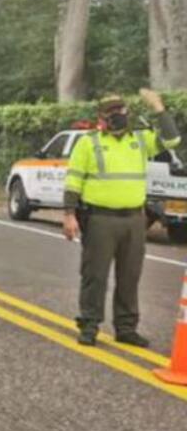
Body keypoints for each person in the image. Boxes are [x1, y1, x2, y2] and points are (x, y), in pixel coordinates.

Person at [63, 89, 181, 347]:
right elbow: (73, 181)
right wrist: (69, 214)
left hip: (134, 220)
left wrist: (159, 108)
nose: (118, 115)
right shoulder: (88, 142)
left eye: (122, 110)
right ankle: (90, 325)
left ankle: (126, 328)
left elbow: (172, 140)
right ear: (101, 117)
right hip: (100, 220)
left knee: (130, 276)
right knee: (95, 275)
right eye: (112, 112)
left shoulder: (140, 140)